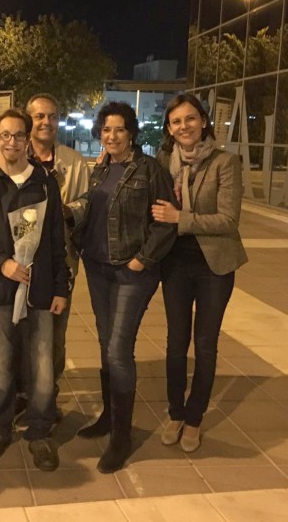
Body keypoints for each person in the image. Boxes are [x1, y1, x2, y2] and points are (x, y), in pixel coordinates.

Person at [71, 102, 177, 473]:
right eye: (106, 130)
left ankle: (121, 436)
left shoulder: (150, 170)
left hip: (132, 272)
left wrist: (142, 259)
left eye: (119, 129)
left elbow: (166, 221)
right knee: (105, 344)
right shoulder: (100, 169)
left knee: (118, 350)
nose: (112, 136)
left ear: (131, 132)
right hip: (98, 267)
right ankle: (108, 417)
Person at [0, 109, 70, 472]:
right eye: (5, 135)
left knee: (42, 366)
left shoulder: (44, 182)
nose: (12, 142)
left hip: (39, 291)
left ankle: (40, 431)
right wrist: (2, 263)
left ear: (28, 139)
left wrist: (60, 287)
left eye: (19, 135)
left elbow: (57, 238)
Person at [151, 94, 247, 453]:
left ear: (203, 121)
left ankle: (194, 418)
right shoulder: (164, 162)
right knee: (176, 341)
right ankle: (176, 412)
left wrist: (181, 219)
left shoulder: (225, 162)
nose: (184, 126)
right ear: (169, 128)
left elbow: (228, 220)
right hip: (175, 262)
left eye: (190, 119)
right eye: (176, 121)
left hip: (213, 265)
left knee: (205, 344)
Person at [25, 93, 90, 421]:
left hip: (60, 261)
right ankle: (24, 394)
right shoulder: (14, 155)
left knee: (54, 334)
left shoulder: (74, 162)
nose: (46, 122)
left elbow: (87, 203)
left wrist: (65, 210)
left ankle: (48, 395)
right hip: (21, 262)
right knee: (20, 332)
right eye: (39, 116)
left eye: (52, 116)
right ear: (29, 120)